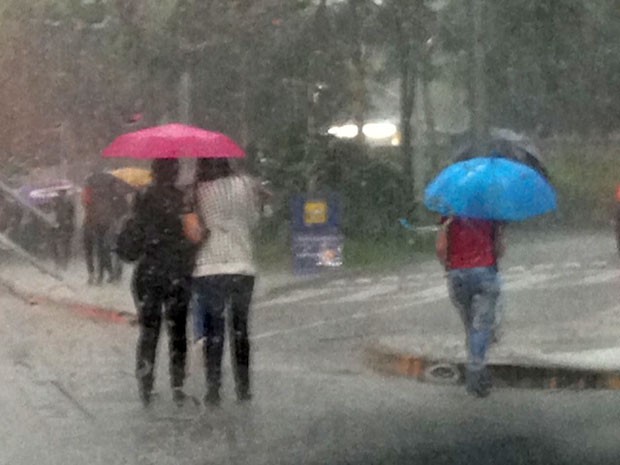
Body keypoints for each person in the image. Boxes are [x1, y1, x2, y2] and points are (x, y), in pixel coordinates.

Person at [192, 158, 263, 405]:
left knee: (214, 330)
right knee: (240, 329)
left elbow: (194, 229)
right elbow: (254, 220)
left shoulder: (197, 191)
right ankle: (243, 387)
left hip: (209, 265)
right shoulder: (245, 185)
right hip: (242, 264)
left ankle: (214, 388)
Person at [125, 158, 194, 407]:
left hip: (148, 272)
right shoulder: (183, 200)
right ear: (175, 172)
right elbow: (192, 234)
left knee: (149, 331)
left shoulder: (142, 198)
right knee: (178, 331)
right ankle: (177, 385)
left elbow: (135, 232)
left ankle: (146, 385)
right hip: (176, 271)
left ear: (153, 172)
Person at [436, 215, 505, 398]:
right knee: (481, 326)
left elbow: (441, 249)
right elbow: (499, 250)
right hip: (485, 273)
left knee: (470, 325)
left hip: (458, 275)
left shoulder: (450, 215)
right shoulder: (490, 213)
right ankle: (476, 374)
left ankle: (476, 364)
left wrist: (449, 268)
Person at [82, 181, 114, 284]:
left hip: (97, 227)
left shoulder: (99, 201)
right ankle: (98, 274)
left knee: (100, 252)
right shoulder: (96, 200)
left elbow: (104, 216)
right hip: (93, 227)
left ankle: (100, 274)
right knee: (97, 251)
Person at [52, 189, 75, 269]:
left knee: (66, 245)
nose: (61, 194)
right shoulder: (55, 202)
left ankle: (65, 263)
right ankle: (58, 263)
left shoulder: (69, 203)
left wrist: (68, 221)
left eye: (62, 193)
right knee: (56, 245)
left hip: (67, 227)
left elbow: (72, 215)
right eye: (59, 193)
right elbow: (54, 213)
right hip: (58, 226)